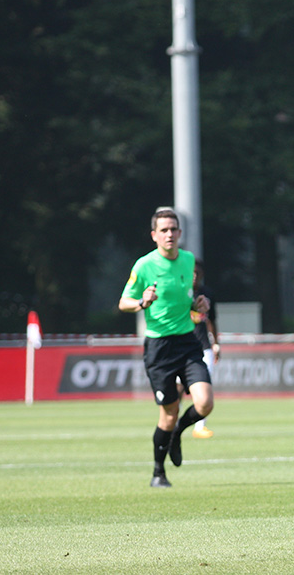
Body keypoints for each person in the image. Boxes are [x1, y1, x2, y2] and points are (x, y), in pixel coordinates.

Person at [118, 208, 213, 488]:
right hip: (159, 347)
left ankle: (177, 435)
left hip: (187, 341)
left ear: (180, 233)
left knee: (205, 403)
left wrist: (198, 306)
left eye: (173, 229)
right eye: (164, 230)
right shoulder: (144, 265)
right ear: (154, 236)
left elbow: (189, 299)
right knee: (169, 413)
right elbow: (124, 302)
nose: (169, 234)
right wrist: (142, 302)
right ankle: (158, 473)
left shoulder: (187, 261)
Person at [190, 258, 220, 439]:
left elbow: (212, 321)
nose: (194, 277)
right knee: (177, 389)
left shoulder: (207, 293)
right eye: (191, 273)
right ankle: (173, 424)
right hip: (183, 348)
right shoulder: (181, 294)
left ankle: (200, 426)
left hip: (204, 347)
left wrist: (216, 344)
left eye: (197, 273)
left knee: (205, 386)